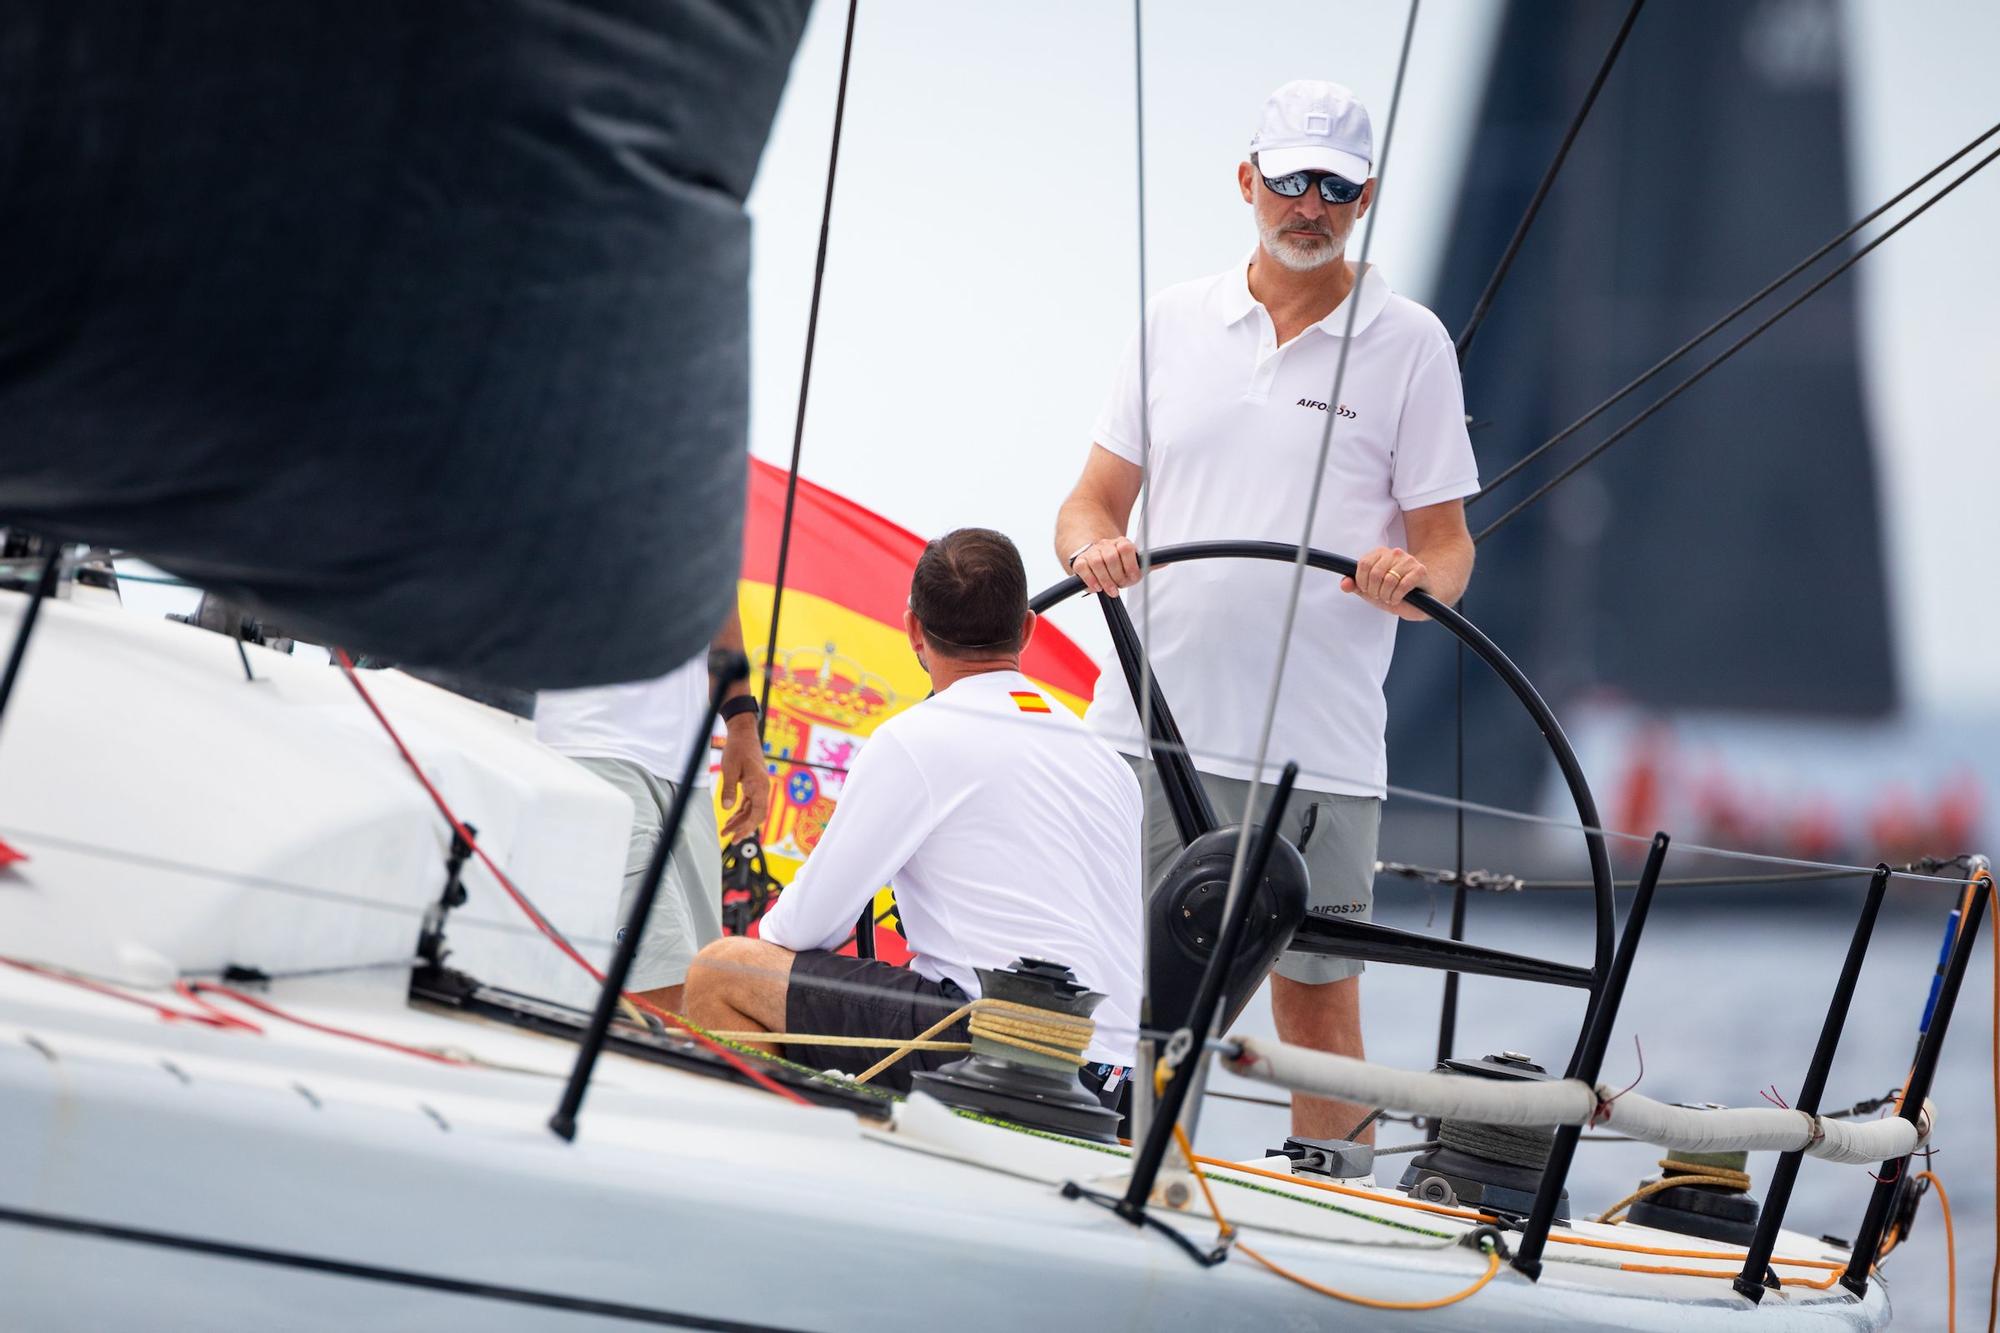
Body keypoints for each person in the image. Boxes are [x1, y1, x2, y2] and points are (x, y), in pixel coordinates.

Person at [1052, 80, 1478, 1141]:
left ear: (1364, 197)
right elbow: (1088, 501)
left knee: (1317, 1001)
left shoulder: (1411, 343)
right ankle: (1108, 1183)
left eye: (1335, 187)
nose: (1309, 204)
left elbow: (1447, 548)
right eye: (1289, 180)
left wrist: (1413, 582)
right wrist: (1087, 549)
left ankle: (1328, 1214)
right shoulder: (1170, 322)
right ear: (1247, 180)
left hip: (1319, 757)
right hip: (1148, 731)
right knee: (1115, 980)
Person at [683, 529, 1141, 1098]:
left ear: (912, 629)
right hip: (1117, 1078)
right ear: (1026, 627)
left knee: (724, 973)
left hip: (1001, 1049)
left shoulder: (916, 739)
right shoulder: (1108, 761)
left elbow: (799, 929)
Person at [536, 609, 770, 1014]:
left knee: (708, 984)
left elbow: (717, 596)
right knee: (663, 994)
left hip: (686, 771)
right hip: (588, 743)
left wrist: (742, 726)